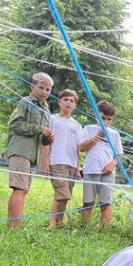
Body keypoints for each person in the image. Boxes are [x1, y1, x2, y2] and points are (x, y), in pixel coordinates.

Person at [7, 72, 55, 228]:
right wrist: (38, 128)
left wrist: (48, 137)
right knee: (19, 188)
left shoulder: (46, 110)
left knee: (23, 190)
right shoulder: (25, 102)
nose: (44, 92)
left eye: (48, 89)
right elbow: (14, 124)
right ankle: (14, 226)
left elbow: (42, 137)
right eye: (41, 88)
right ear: (32, 87)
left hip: (33, 154)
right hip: (20, 150)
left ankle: (12, 224)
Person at [47, 89, 97, 228]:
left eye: (72, 101)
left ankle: (60, 222)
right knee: (62, 194)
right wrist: (45, 162)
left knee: (66, 195)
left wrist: (77, 166)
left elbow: (78, 147)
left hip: (71, 164)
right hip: (56, 161)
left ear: (75, 105)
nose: (69, 103)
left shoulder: (76, 125)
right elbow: (46, 143)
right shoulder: (52, 119)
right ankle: (52, 223)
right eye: (66, 99)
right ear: (59, 102)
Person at [80, 100, 123, 230]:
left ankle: (103, 230)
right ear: (96, 115)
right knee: (88, 202)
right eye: (103, 118)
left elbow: (119, 154)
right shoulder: (88, 129)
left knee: (106, 203)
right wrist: (98, 135)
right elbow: (82, 147)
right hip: (90, 171)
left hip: (107, 174)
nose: (106, 122)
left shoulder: (115, 134)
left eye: (109, 119)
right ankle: (84, 229)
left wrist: (113, 164)